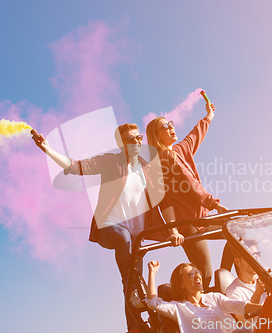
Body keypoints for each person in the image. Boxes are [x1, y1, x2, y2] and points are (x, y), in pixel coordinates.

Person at [32, 123, 184, 332]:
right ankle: (136, 310)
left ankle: (136, 328)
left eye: (139, 137)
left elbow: (163, 202)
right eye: (131, 139)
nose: (137, 142)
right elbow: (76, 166)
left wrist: (174, 230)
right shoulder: (111, 161)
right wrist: (48, 149)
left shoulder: (147, 169)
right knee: (124, 240)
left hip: (136, 236)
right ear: (121, 144)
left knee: (132, 280)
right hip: (110, 227)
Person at [146, 101, 227, 290]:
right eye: (165, 126)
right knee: (204, 276)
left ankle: (225, 284)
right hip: (187, 225)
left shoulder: (181, 149)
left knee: (238, 234)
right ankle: (201, 305)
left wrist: (209, 116)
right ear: (156, 136)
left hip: (201, 219)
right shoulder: (162, 159)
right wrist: (214, 204)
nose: (171, 127)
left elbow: (196, 133)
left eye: (171, 124)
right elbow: (187, 185)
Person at [145, 261, 262, 333]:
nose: (197, 277)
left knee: (248, 330)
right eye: (191, 275)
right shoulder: (179, 308)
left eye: (198, 273)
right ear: (181, 285)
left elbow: (239, 306)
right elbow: (152, 303)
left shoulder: (215, 297)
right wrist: (152, 273)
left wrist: (264, 307)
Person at [225, 240, 267, 324]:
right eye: (249, 256)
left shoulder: (267, 276)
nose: (254, 259)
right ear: (237, 262)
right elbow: (246, 322)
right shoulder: (233, 292)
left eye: (256, 255)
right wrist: (257, 294)